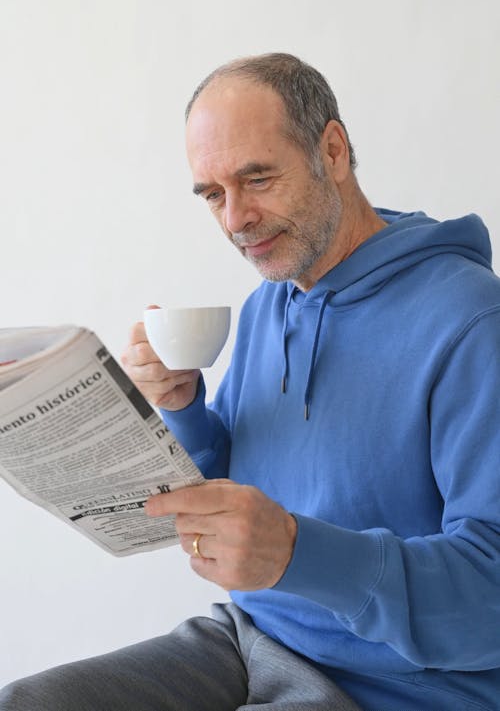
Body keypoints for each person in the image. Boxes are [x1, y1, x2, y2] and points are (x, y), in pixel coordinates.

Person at [2, 53, 500, 711]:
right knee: (31, 702)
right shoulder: (273, 302)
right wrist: (182, 406)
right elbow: (234, 478)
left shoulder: (470, 320)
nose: (234, 219)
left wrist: (299, 551)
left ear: (333, 149)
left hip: (400, 686)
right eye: (212, 194)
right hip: (252, 635)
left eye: (256, 177)